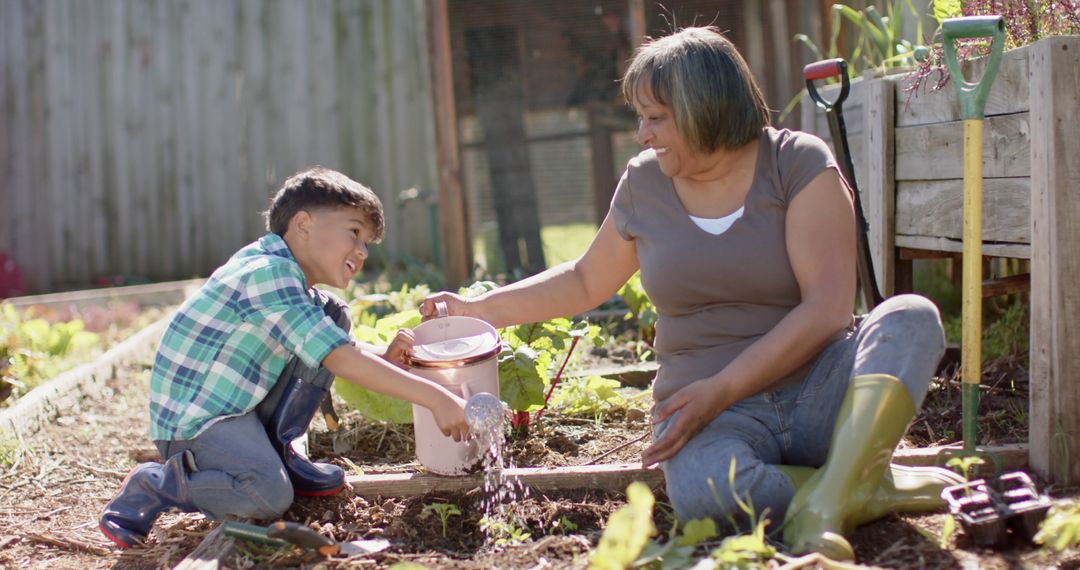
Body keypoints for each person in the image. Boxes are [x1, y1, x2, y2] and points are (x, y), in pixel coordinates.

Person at [420, 26, 962, 560]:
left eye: (656, 118)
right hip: (709, 413)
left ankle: (828, 498)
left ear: (707, 107)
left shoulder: (797, 162)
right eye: (641, 118)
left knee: (909, 318)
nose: (642, 135)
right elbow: (586, 280)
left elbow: (826, 309)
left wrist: (724, 386)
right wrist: (475, 308)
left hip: (818, 391)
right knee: (704, 492)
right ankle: (861, 484)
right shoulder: (643, 183)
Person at [99, 167, 470, 549]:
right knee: (266, 495)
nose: (362, 251)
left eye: (368, 243)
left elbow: (327, 343)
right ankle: (157, 484)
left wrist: (384, 358)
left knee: (332, 315)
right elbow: (337, 357)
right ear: (303, 224)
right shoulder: (268, 273)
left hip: (233, 409)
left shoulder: (288, 278)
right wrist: (434, 396)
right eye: (354, 232)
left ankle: (278, 451)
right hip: (195, 424)